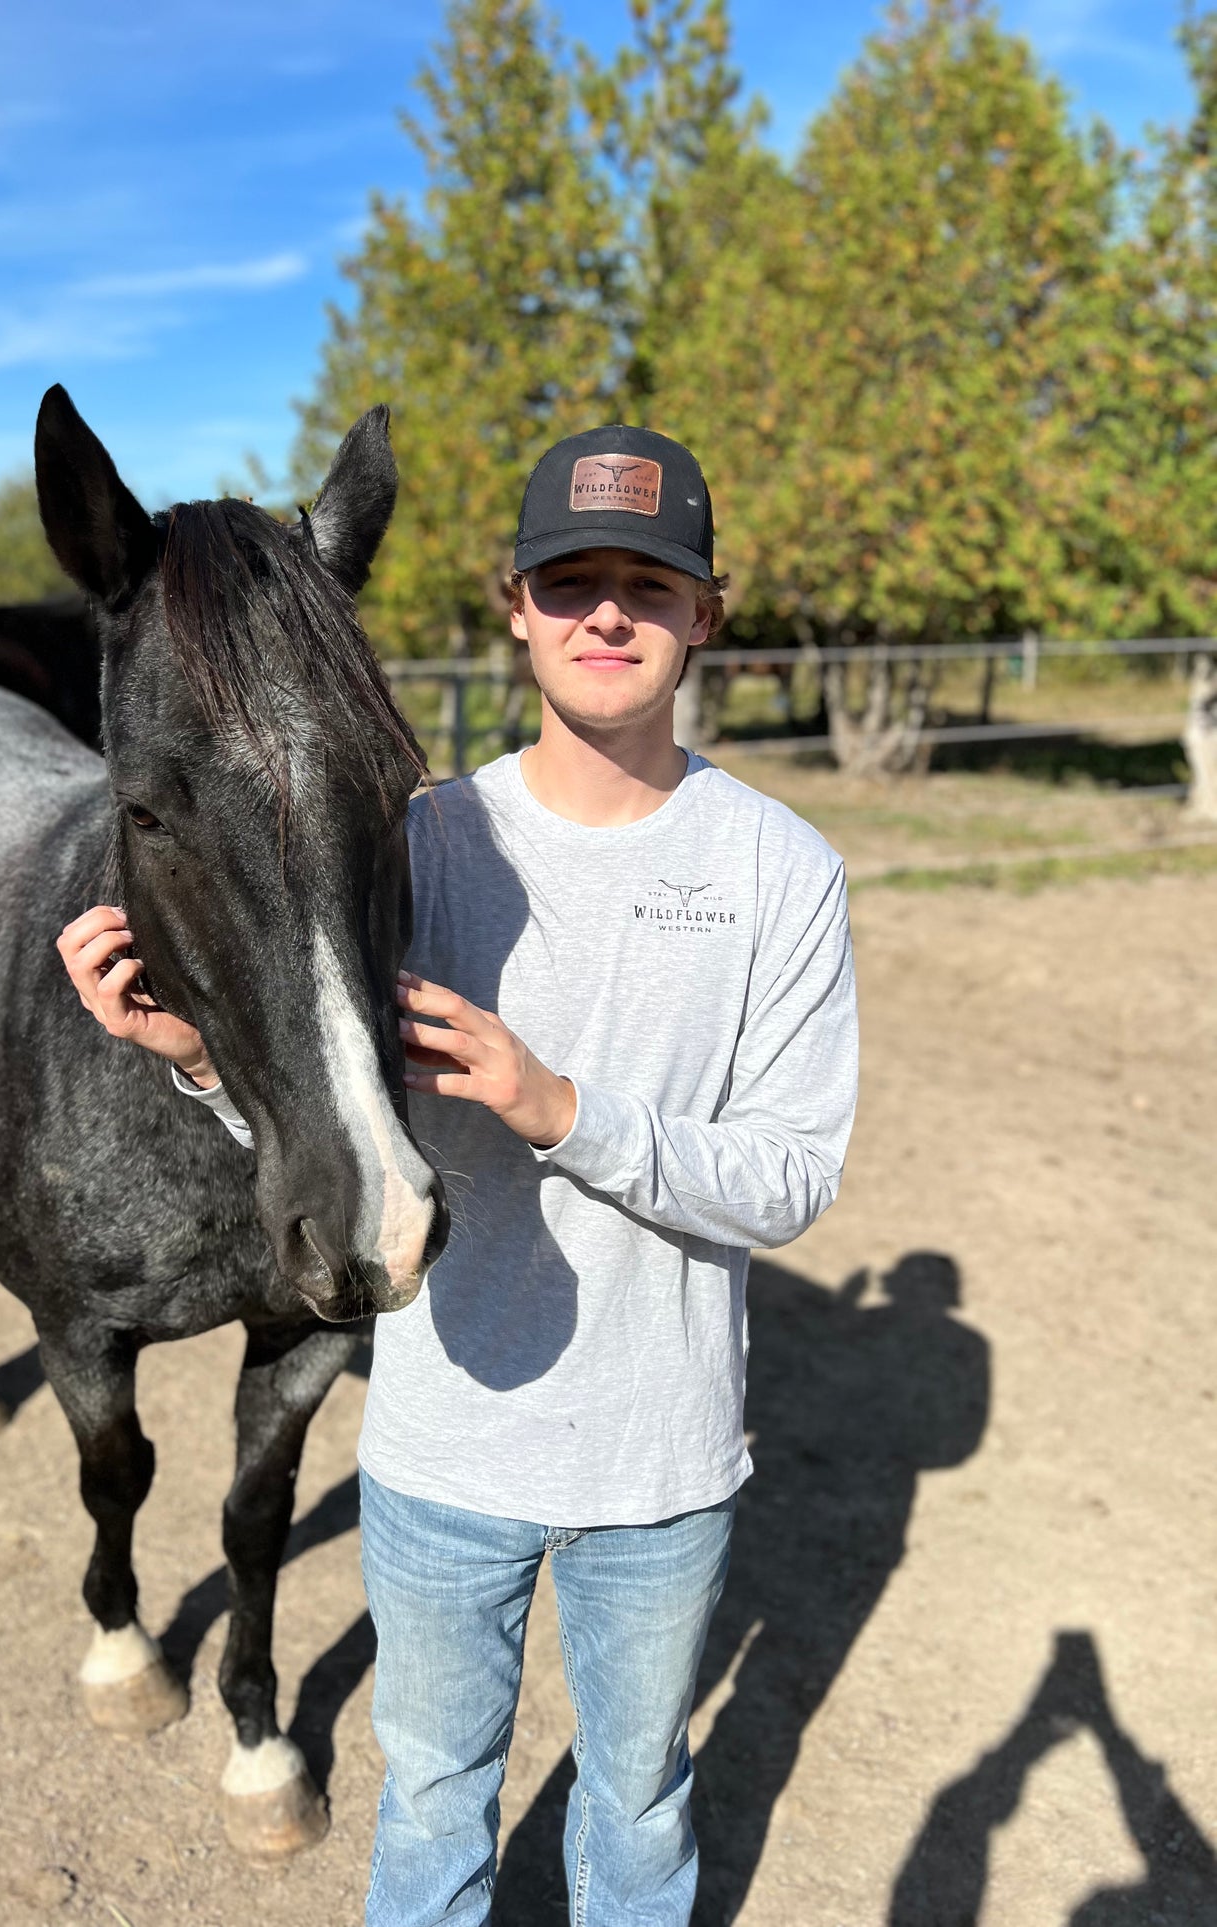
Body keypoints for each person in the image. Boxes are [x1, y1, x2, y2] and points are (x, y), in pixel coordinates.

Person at [58, 424, 859, 1926]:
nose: (605, 615)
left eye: (647, 582)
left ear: (706, 611)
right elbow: (331, 1137)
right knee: (430, 1807)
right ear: (514, 606)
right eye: (570, 582)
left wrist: (562, 1109)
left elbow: (791, 1182)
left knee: (633, 1810)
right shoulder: (408, 839)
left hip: (659, 1466)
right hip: (439, 1453)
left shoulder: (779, 871)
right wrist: (196, 1059)